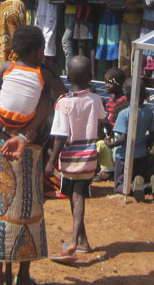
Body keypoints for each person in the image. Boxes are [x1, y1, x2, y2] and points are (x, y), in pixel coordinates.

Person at [0, 25, 53, 285]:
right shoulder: (42, 76)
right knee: (26, 211)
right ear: (39, 50)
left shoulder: (4, 66)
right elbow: (50, 98)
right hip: (26, 146)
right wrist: (27, 133)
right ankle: (23, 276)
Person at [45, 56, 105, 263]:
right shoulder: (97, 100)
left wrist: (51, 161)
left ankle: (72, 241)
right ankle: (83, 241)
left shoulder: (63, 103)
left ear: (68, 76)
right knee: (75, 196)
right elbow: (101, 121)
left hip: (71, 159)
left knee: (77, 198)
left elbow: (60, 136)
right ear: (91, 77)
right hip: (89, 157)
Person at [108, 80, 154, 200]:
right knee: (139, 177)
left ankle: (131, 188)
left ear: (127, 95)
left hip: (124, 156)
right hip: (141, 155)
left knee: (120, 185)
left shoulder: (124, 114)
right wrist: (147, 147)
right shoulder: (148, 112)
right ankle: (148, 186)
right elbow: (153, 133)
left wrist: (110, 144)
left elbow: (123, 138)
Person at [95, 0, 123, 73]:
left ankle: (114, 74)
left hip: (115, 20)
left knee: (114, 47)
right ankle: (107, 74)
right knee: (106, 47)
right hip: (105, 19)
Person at [118, 0, 144, 75]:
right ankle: (124, 76)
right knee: (123, 53)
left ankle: (134, 78)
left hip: (136, 24)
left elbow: (143, 6)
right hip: (126, 22)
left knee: (134, 53)